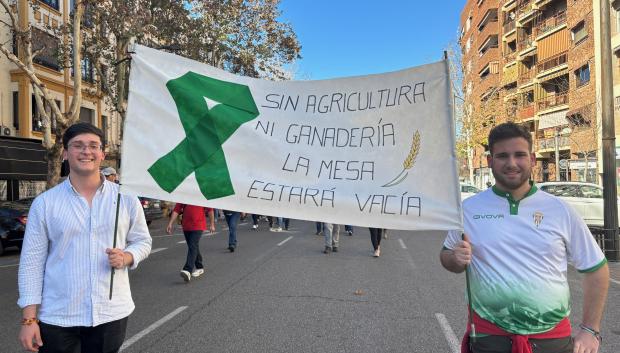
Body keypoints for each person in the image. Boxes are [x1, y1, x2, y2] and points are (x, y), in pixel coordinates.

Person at [440, 122, 609, 353]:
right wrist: (454, 259)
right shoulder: (467, 210)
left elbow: (596, 268)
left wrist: (590, 329)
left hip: (552, 341)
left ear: (531, 159)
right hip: (489, 339)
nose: (511, 163)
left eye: (519, 155)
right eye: (502, 156)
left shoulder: (560, 209)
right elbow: (446, 255)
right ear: (490, 161)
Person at [17, 122, 152, 353]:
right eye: (77, 145)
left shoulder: (125, 199)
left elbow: (143, 241)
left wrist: (128, 256)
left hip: (111, 313)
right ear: (66, 153)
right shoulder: (45, 203)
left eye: (93, 146)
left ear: (102, 153)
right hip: (59, 316)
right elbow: (31, 262)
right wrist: (29, 320)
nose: (86, 151)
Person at [166, 204, 215, 282]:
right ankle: (199, 267)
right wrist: (170, 223)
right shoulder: (185, 195)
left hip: (198, 225)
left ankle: (187, 270)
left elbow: (210, 210)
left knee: (192, 245)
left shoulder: (202, 195)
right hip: (186, 226)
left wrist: (212, 224)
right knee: (193, 246)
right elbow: (177, 209)